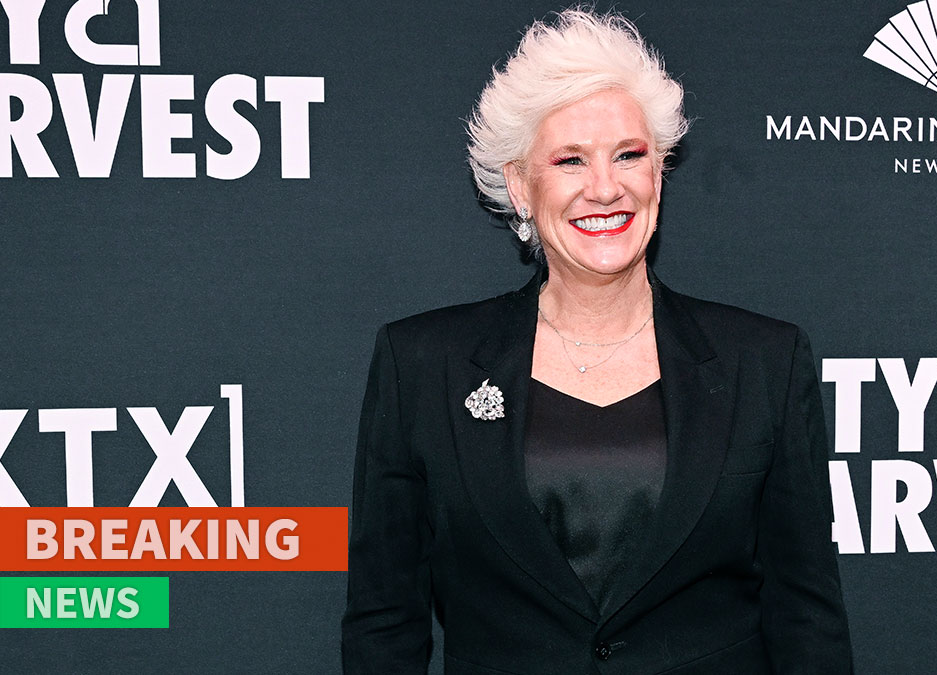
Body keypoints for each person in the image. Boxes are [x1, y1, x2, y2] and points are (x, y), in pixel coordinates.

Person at [342, 9, 852, 674]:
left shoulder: (765, 362)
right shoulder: (422, 367)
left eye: (629, 155)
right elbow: (385, 621)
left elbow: (807, 617)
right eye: (570, 160)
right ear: (522, 186)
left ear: (660, 171)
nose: (605, 187)